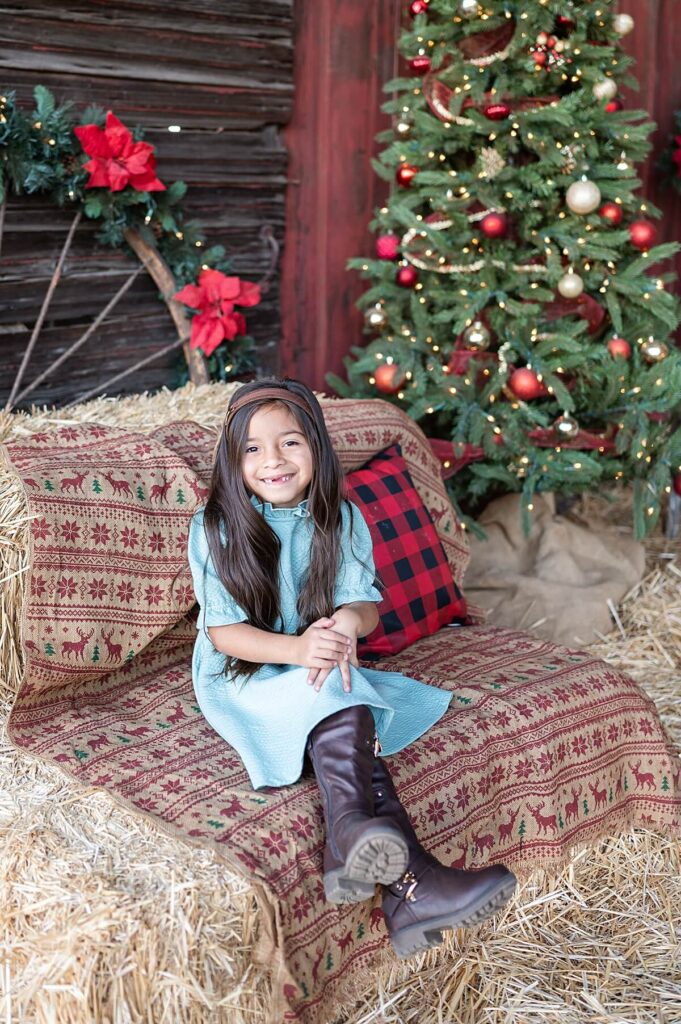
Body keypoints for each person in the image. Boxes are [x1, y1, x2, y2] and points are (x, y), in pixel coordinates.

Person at [187, 377, 516, 958]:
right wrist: (297, 651)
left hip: (317, 658)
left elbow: (363, 602)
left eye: (291, 443)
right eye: (254, 450)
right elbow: (225, 634)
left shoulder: (339, 517)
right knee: (338, 693)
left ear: (316, 445)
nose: (274, 461)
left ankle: (378, 862)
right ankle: (396, 872)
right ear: (233, 460)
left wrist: (345, 626)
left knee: (342, 692)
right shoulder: (214, 528)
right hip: (247, 673)